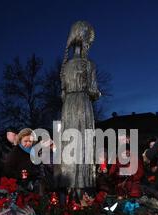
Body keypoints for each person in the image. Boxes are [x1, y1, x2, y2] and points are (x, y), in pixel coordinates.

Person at [56, 21, 101, 196]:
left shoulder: (65, 67)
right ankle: (82, 185)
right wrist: (97, 94)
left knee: (69, 142)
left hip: (68, 106)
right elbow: (93, 90)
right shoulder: (89, 65)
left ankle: (68, 184)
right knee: (83, 142)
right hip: (82, 104)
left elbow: (63, 92)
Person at [2, 128, 43, 193]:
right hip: (19, 186)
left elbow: (38, 167)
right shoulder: (15, 152)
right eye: (25, 141)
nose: (28, 143)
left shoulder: (35, 152)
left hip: (34, 186)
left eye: (30, 141)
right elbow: (8, 169)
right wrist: (20, 175)